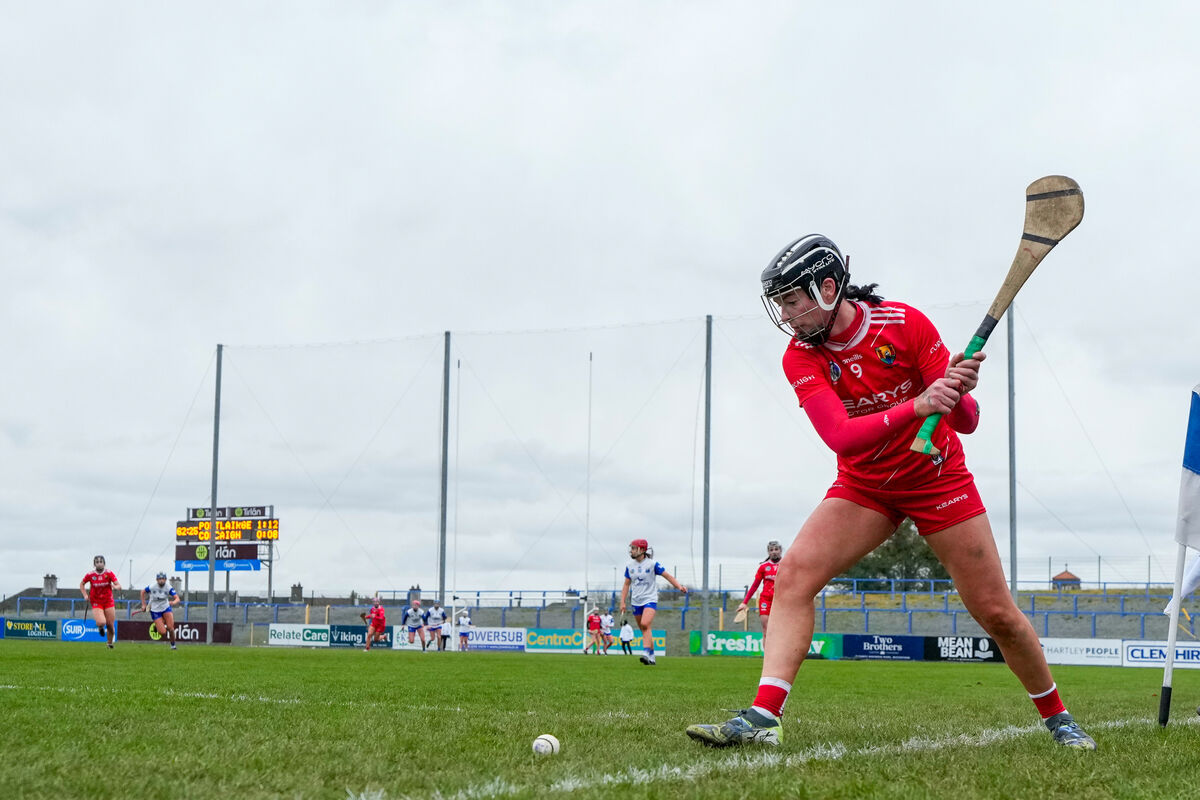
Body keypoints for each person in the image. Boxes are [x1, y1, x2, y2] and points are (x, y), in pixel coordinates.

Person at [686, 234, 1095, 750]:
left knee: (995, 612)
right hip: (865, 485)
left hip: (937, 478)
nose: (787, 316)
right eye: (782, 304)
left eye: (793, 301)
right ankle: (765, 717)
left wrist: (956, 388)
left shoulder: (905, 325)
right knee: (793, 577)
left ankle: (1058, 717)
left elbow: (966, 422)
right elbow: (841, 435)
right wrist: (919, 404)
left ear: (828, 288)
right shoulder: (800, 358)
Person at [619, 538, 687, 665]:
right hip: (636, 601)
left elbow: (668, 576)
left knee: (645, 624)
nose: (631, 551)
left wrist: (679, 586)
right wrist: (622, 602)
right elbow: (626, 585)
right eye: (631, 548)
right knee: (645, 629)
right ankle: (652, 656)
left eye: (634, 548)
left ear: (642, 550)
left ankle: (645, 653)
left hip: (650, 599)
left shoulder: (652, 564)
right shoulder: (629, 566)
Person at [737, 541, 784, 636]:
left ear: (780, 550)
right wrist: (744, 602)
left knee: (780, 630)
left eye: (776, 549)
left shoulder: (786, 565)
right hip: (765, 600)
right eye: (771, 550)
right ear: (768, 552)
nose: (774, 552)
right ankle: (767, 651)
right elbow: (755, 586)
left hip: (781, 601)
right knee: (766, 629)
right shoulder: (763, 567)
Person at [80, 555, 121, 648]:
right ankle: (100, 627)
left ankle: (109, 644)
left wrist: (115, 587)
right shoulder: (90, 575)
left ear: (104, 563)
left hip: (108, 601)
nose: (99, 563)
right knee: (101, 622)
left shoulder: (109, 573)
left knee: (110, 625)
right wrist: (85, 595)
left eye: (101, 561)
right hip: (96, 602)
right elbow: (81, 584)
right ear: (94, 564)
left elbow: (119, 585)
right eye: (97, 562)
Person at [140, 571, 181, 649]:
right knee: (162, 632)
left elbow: (177, 598)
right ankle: (159, 623)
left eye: (163, 579)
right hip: (155, 610)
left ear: (165, 579)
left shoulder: (168, 587)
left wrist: (173, 602)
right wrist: (144, 605)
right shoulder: (152, 587)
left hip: (166, 608)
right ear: (157, 580)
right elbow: (142, 592)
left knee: (170, 628)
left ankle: (173, 646)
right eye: (159, 579)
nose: (161, 580)